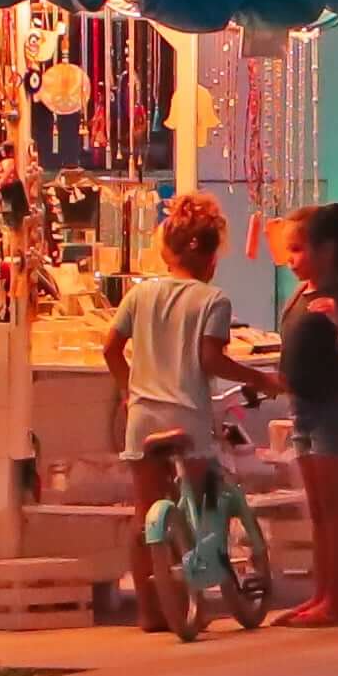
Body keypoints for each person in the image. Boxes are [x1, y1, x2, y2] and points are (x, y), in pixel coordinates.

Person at [104, 194, 258, 629]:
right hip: (188, 417)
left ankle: (150, 611)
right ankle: (200, 591)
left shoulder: (140, 295)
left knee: (144, 512)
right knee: (203, 505)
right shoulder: (214, 301)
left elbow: (111, 348)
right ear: (211, 258)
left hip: (143, 419)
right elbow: (212, 361)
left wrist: (128, 390)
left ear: (166, 250)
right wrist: (260, 379)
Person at [273, 203, 338, 629]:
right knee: (317, 510)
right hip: (304, 407)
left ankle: (337, 602)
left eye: (298, 249)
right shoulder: (301, 292)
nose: (291, 260)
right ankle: (321, 594)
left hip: (333, 407)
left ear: (326, 250)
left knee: (335, 508)